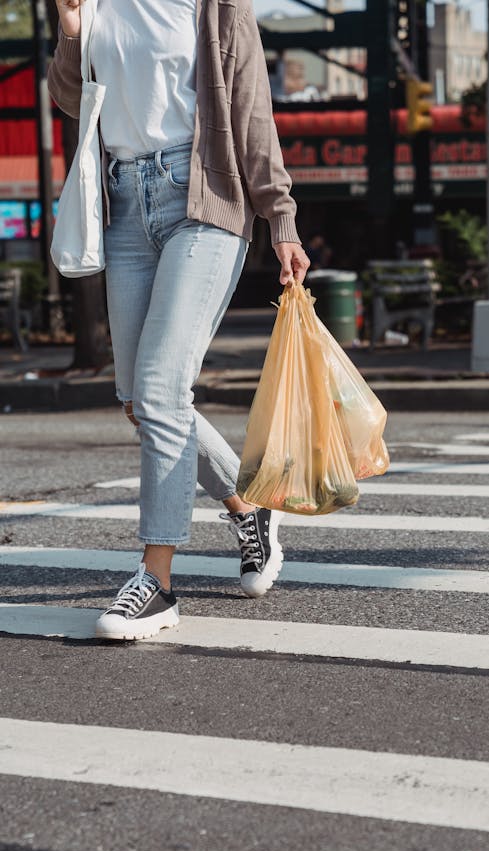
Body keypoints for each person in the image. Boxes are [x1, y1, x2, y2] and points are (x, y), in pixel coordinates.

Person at [48, 0, 310, 641]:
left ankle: (158, 584)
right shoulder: (96, 6)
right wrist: (72, 30)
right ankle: (248, 510)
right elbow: (69, 99)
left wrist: (281, 217)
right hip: (127, 208)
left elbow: (253, 113)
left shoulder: (216, 7)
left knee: (163, 392)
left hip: (203, 202)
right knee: (142, 402)